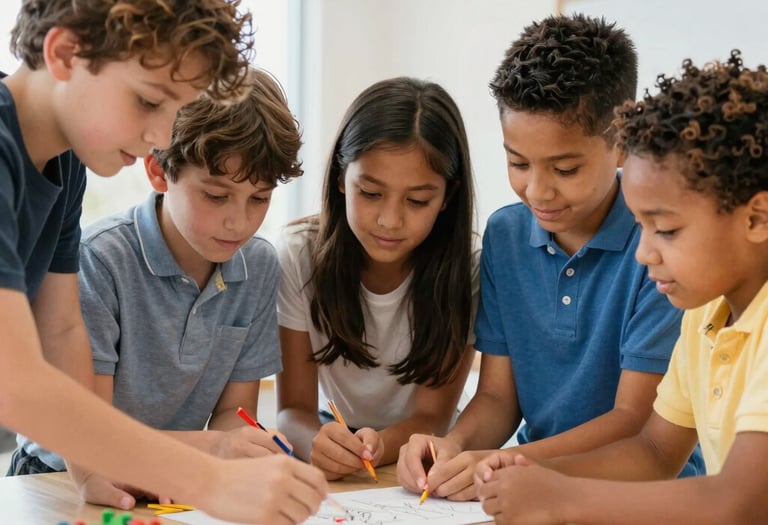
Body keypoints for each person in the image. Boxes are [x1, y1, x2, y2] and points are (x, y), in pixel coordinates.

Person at [0, 1, 326, 523]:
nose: (160, 135)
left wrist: (91, 471)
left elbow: (61, 332)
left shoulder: (62, 165)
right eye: (149, 101)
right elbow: (15, 383)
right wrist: (210, 476)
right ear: (63, 53)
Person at [397, 13, 705, 500]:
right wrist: (452, 446)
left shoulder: (658, 247)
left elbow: (634, 425)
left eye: (564, 168)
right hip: (527, 485)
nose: (536, 191)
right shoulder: (505, 234)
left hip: (638, 495)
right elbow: (499, 397)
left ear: (622, 142)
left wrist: (508, 462)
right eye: (517, 163)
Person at [474, 49, 768, 525]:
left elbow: (741, 504)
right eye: (640, 226)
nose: (644, 253)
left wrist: (561, 499)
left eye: (666, 231)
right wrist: (524, 468)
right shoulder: (704, 316)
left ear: (755, 218)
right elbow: (653, 452)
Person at [276, 76, 479, 480]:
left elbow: (433, 415)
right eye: (369, 193)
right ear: (340, 178)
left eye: (418, 200)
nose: (390, 220)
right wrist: (313, 442)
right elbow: (291, 411)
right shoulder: (299, 255)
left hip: (424, 452)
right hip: (334, 434)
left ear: (447, 198)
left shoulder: (468, 268)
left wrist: (380, 446)